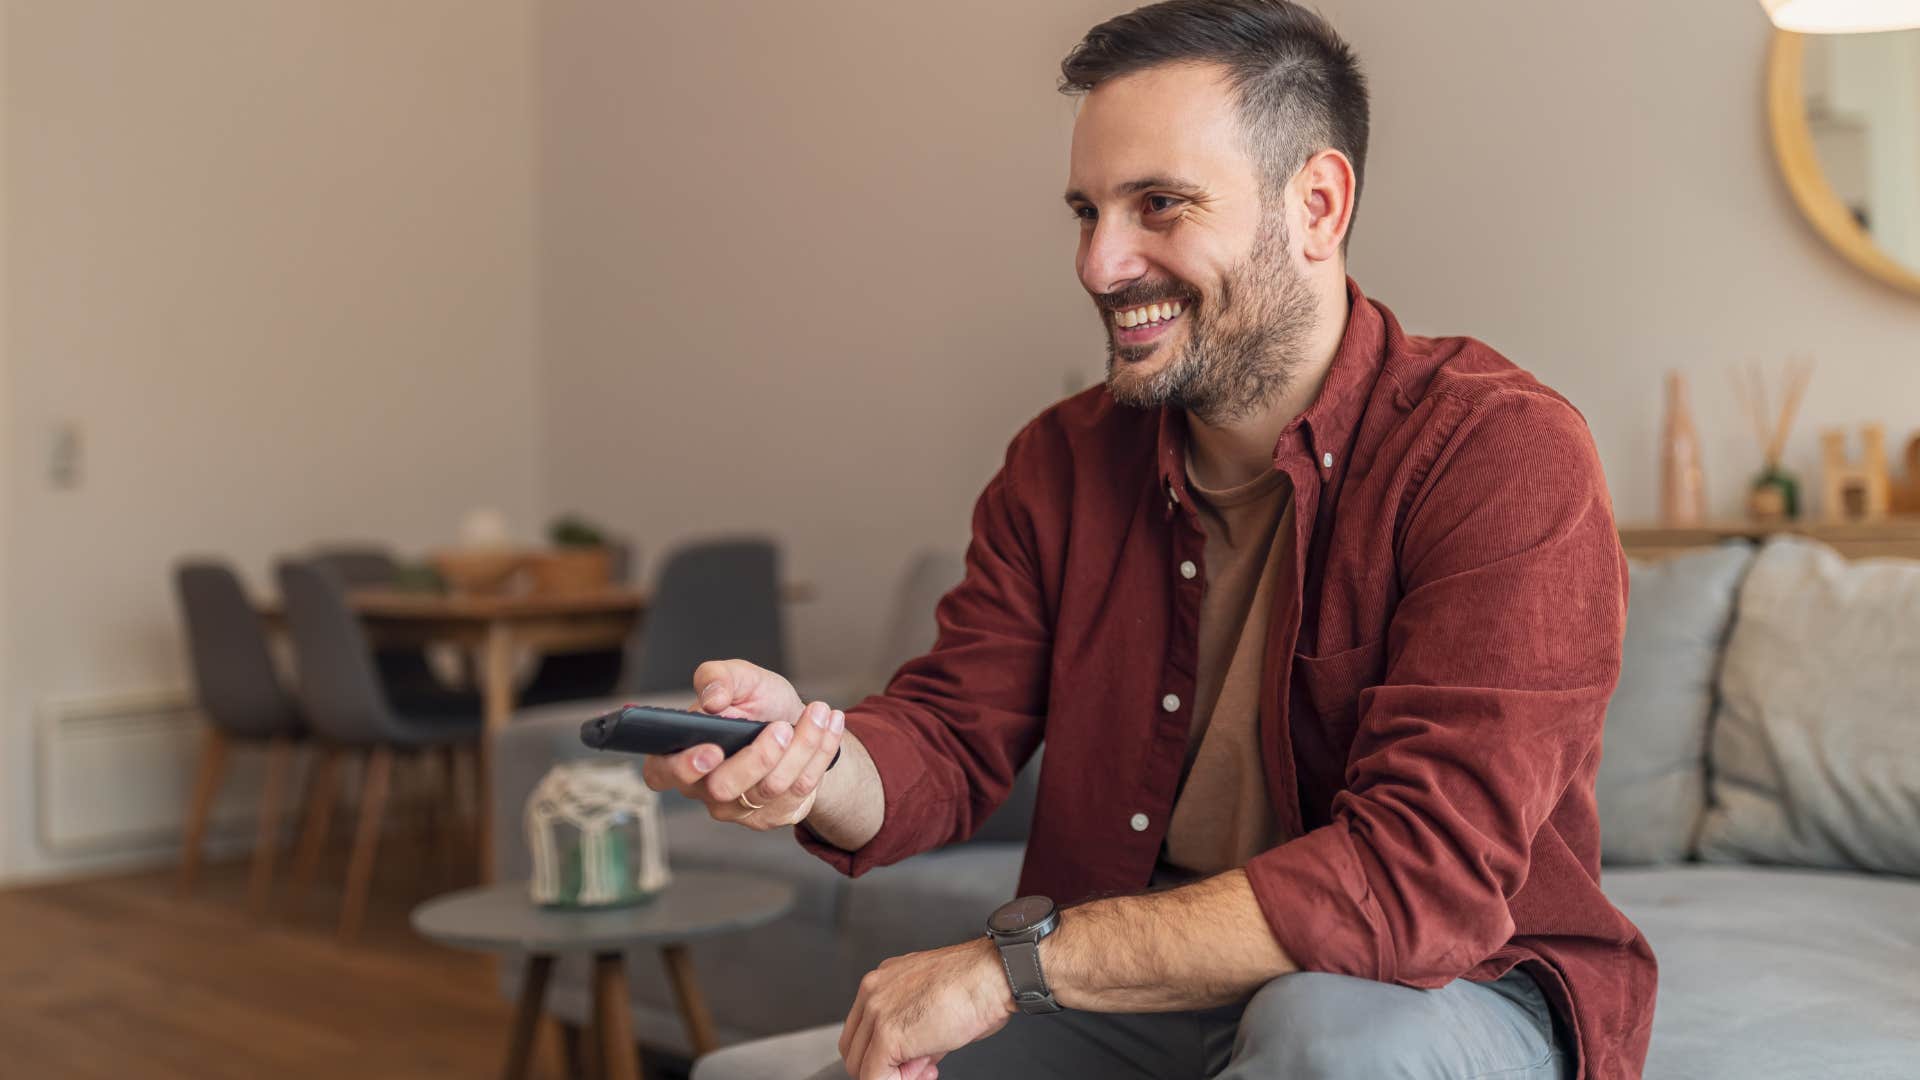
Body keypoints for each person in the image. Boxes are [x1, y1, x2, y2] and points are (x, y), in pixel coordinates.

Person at [643, 2, 1655, 1077]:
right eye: (1087, 211)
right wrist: (810, 759)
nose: (1099, 263)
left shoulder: (1499, 452)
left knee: (1318, 1034)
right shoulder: (1061, 463)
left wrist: (1008, 967)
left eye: (1158, 205)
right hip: (1143, 988)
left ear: (1316, 204)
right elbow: (947, 735)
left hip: (1440, 991)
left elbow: (1419, 882)